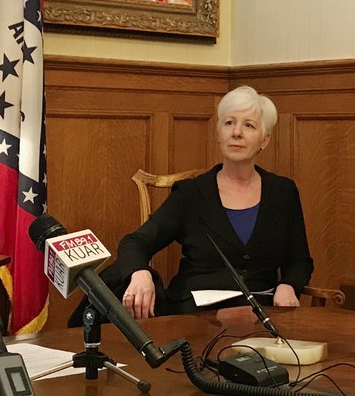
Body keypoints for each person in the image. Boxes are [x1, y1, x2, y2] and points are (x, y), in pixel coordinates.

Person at [73, 85, 313, 323]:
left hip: (261, 316)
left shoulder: (283, 192)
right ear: (218, 133)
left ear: (265, 140)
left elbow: (299, 259)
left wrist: (289, 285)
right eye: (229, 123)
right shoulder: (191, 193)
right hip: (195, 317)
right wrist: (140, 273)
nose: (236, 132)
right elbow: (135, 242)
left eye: (248, 125)